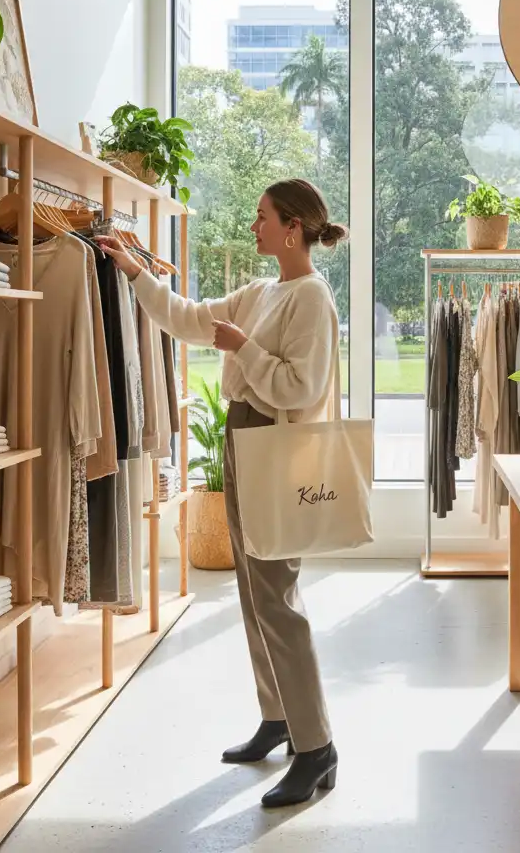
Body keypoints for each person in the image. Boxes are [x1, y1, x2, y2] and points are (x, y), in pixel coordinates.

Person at [98, 178, 346, 809]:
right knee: (252, 589)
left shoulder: (311, 297)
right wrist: (133, 272)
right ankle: (279, 717)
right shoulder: (263, 291)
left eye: (262, 217)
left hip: (275, 447)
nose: (253, 226)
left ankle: (317, 747)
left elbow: (299, 387)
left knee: (277, 596)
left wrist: (245, 347)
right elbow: (186, 317)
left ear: (292, 227)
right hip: (244, 441)